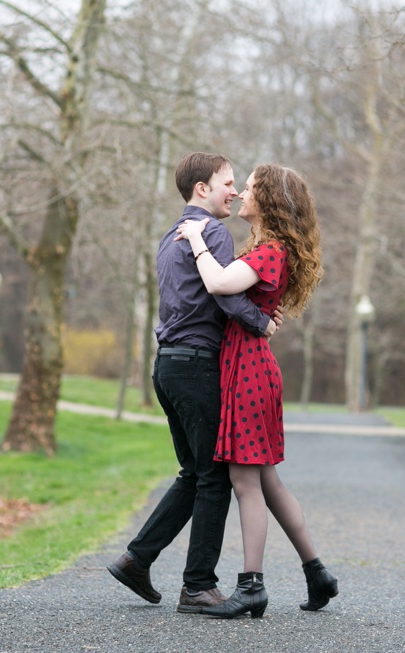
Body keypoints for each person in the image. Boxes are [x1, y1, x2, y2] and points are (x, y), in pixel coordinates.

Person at [107, 152, 280, 614]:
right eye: (227, 182)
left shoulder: (172, 236)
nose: (236, 191)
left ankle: (136, 560)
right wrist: (261, 321)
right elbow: (224, 293)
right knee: (214, 476)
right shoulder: (212, 232)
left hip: (168, 367)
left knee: (194, 473)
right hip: (198, 366)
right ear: (202, 189)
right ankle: (198, 585)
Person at [174, 163, 337, 619]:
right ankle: (317, 571)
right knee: (266, 479)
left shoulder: (270, 251)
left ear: (269, 201)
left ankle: (251, 586)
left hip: (248, 372)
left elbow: (220, 283)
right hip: (250, 367)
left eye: (248, 188)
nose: (241, 193)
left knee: (245, 482)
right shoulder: (268, 248)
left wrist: (199, 241)